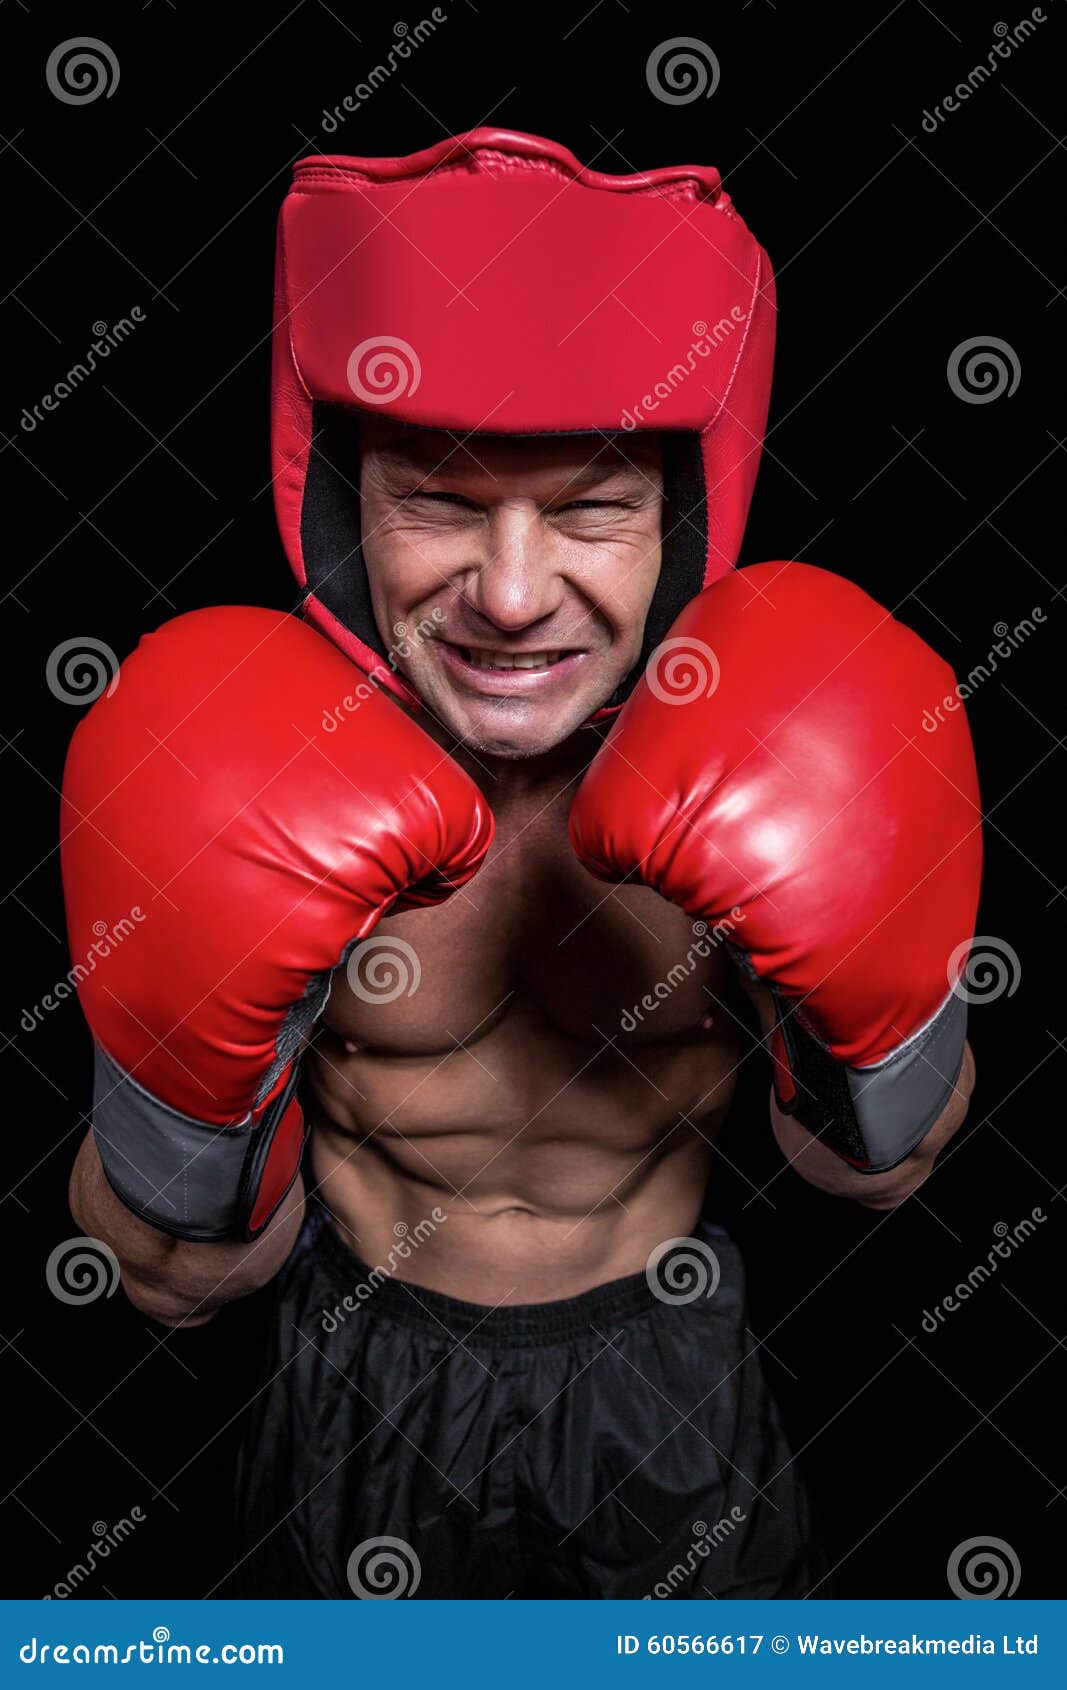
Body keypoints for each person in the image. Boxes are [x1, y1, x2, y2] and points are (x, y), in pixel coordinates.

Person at [60, 131, 981, 1599]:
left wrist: (872, 1040)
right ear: (342, 497)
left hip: (667, 1371)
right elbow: (175, 1282)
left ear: (680, 511)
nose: (507, 591)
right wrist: (184, 1123)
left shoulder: (777, 730)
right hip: (353, 1375)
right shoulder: (239, 753)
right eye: (435, 497)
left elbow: (883, 1176)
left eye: (591, 506)